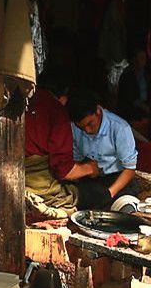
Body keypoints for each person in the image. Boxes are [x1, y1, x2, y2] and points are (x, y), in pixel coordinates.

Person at [24, 71, 100, 214]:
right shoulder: (56, 110)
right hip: (39, 189)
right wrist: (90, 168)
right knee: (98, 193)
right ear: (65, 96)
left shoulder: (24, 98)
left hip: (14, 179)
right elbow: (63, 171)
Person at [67, 89, 138, 210]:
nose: (87, 130)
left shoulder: (119, 128)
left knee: (125, 207)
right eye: (82, 127)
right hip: (93, 181)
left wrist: (110, 193)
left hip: (118, 180)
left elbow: (130, 169)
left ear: (98, 111)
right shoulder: (74, 127)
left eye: (90, 124)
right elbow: (76, 159)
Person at [116, 46, 149, 123]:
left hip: (144, 105)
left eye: (145, 58)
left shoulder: (146, 74)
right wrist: (145, 108)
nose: (144, 61)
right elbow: (131, 98)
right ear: (134, 59)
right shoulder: (127, 75)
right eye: (141, 58)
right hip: (131, 109)